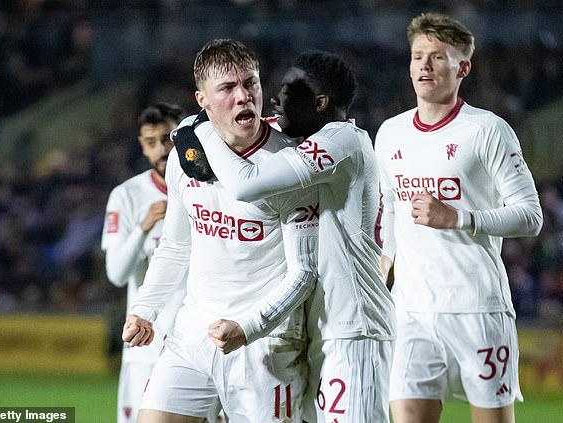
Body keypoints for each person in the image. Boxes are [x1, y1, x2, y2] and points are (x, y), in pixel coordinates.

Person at [122, 39, 320, 423]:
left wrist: (248, 328)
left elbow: (303, 272)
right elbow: (177, 247)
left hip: (265, 344)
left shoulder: (288, 165)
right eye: (228, 88)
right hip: (193, 334)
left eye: (251, 84)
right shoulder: (186, 160)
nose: (244, 97)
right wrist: (146, 309)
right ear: (203, 100)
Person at [194, 50, 396, 423]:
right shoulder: (314, 143)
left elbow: (246, 184)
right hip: (326, 327)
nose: (275, 98)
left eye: (288, 90)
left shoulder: (342, 141)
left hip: (355, 330)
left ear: (319, 102)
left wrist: (203, 128)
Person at [374, 12, 543, 423]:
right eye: (417, 57)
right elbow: (392, 208)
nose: (424, 66)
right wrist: (386, 263)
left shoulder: (487, 130)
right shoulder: (389, 134)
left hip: (477, 309)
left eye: (437, 57)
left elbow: (531, 216)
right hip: (411, 311)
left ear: (462, 67)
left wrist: (460, 219)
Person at [101, 103, 185, 423]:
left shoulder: (206, 188)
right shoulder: (127, 195)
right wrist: (143, 227)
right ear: (142, 145)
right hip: (144, 348)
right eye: (151, 143)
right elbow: (117, 274)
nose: (162, 150)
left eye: (168, 139)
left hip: (195, 342)